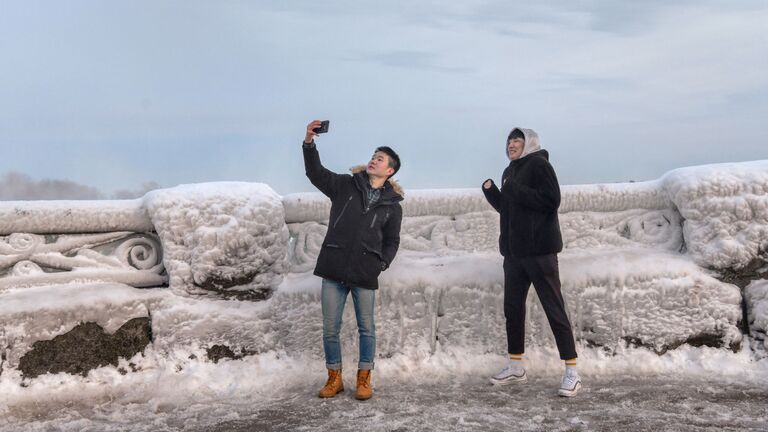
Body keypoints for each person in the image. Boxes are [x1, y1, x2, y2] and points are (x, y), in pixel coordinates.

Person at [302, 119, 403, 401]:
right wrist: (309, 141)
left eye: (380, 159)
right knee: (330, 328)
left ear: (390, 170)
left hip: (365, 272)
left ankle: (364, 379)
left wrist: (381, 263)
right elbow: (315, 173)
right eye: (373, 157)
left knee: (366, 329)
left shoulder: (393, 206)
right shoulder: (345, 185)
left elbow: (392, 241)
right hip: (334, 268)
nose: (373, 161)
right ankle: (334, 379)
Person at [481, 127, 581, 397]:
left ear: (529, 144)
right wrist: (493, 194)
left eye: (517, 140)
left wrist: (514, 189)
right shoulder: (509, 171)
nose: (511, 144)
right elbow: (509, 207)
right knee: (512, 310)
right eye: (509, 141)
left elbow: (551, 201)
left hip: (540, 252)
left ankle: (572, 370)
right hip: (514, 254)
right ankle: (516, 366)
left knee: (553, 307)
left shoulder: (539, 165)